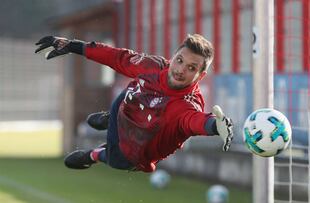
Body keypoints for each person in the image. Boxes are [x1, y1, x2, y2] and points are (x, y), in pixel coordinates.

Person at [35, 34, 234, 172]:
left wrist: (215, 126)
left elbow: (195, 121)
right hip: (127, 109)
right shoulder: (154, 66)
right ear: (173, 56)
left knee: (117, 161)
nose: (181, 70)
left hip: (138, 151)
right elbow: (117, 57)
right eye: (179, 60)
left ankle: (93, 155)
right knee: (129, 93)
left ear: (200, 76)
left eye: (191, 68)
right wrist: (72, 45)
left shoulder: (186, 106)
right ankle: (113, 119)